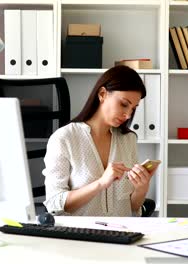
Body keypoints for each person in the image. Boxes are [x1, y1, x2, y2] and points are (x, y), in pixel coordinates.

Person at [43, 65, 158, 216]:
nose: (128, 115)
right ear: (102, 94)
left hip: (122, 233)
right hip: (81, 235)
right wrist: (101, 183)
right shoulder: (64, 138)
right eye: (124, 104)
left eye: (133, 108)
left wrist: (141, 188)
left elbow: (131, 208)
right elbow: (54, 204)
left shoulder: (128, 139)